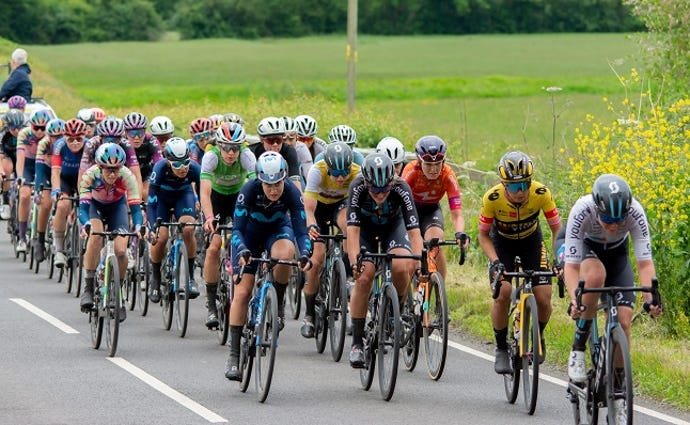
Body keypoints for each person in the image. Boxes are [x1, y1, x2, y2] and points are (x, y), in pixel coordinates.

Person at [563, 174, 661, 393]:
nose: (614, 226)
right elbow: (571, 267)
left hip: (617, 254)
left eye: (620, 221)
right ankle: (578, 347)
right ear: (597, 209)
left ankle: (618, 385)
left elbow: (645, 264)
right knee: (596, 275)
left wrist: (651, 299)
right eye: (607, 220)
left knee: (623, 321)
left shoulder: (636, 212)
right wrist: (574, 299)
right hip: (586, 248)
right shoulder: (582, 209)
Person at [224, 151, 312, 381]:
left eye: (278, 184)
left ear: (284, 178)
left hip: (278, 230)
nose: (273, 190)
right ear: (260, 180)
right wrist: (241, 250)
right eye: (268, 184)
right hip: (249, 236)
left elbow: (301, 230)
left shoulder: (292, 192)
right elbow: (237, 230)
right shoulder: (248, 190)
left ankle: (279, 302)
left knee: (285, 255)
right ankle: (234, 355)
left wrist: (305, 254)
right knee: (242, 291)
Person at [477, 151, 561, 374]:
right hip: (501, 245)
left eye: (525, 184)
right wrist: (495, 262)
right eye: (514, 187)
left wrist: (559, 257)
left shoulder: (541, 193)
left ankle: (538, 336)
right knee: (503, 293)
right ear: (504, 185)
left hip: (531, 243)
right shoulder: (492, 199)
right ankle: (501, 348)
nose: (521, 191)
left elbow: (556, 229)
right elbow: (483, 236)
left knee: (543, 296)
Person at [346, 153, 423, 368]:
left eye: (384, 190)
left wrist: (418, 263)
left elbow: (414, 231)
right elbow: (351, 232)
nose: (380, 194)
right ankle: (357, 343)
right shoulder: (357, 187)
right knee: (364, 276)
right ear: (367, 183)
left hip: (392, 227)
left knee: (402, 265)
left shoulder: (401, 188)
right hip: (365, 230)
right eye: (375, 190)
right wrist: (354, 262)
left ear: (392, 182)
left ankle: (394, 311)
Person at [301, 142, 361, 338]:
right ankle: (309, 314)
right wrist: (311, 226)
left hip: (340, 205)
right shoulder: (317, 171)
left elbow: (358, 211)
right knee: (316, 260)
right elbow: (309, 209)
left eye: (344, 172)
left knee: (347, 225)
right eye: (335, 173)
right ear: (327, 166)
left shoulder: (356, 173)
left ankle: (345, 270)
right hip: (318, 208)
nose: (340, 177)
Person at [200, 122, 256, 328]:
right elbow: (205, 192)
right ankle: (212, 303)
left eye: (235, 148)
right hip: (216, 199)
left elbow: (255, 187)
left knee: (241, 240)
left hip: (238, 197)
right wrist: (208, 218)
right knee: (214, 248)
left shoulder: (247, 156)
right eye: (226, 147)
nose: (231, 153)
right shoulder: (211, 156)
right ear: (219, 146)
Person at [78, 143, 143, 318]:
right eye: (108, 169)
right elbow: (83, 209)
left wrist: (138, 227)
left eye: (116, 169)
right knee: (95, 236)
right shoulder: (90, 175)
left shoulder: (127, 176)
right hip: (95, 207)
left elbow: (136, 209)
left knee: (121, 250)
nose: (113, 174)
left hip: (117, 208)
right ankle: (89, 287)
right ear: (100, 167)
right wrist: (86, 225)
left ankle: (117, 293)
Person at [401, 135, 468, 280]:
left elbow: (457, 214)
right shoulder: (411, 171)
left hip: (431, 210)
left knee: (436, 243)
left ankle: (439, 292)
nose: (433, 169)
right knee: (413, 253)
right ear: (419, 162)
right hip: (409, 211)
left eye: (438, 164)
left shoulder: (448, 175)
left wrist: (460, 233)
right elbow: (398, 202)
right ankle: (405, 297)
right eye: (428, 164)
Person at [147, 137, 201, 302]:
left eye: (185, 162)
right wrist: (151, 227)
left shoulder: (194, 168)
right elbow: (151, 201)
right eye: (177, 164)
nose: (183, 168)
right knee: (161, 238)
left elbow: (205, 194)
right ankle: (155, 278)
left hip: (183, 197)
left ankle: (191, 277)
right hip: (162, 200)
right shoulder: (160, 168)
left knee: (188, 229)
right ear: (168, 161)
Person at [50, 118, 87, 267]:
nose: (75, 143)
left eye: (79, 139)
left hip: (83, 180)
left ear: (85, 136)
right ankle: (59, 250)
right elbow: (55, 171)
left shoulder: (90, 146)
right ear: (65, 138)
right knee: (62, 205)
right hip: (65, 180)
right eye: (70, 139)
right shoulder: (59, 146)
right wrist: (56, 190)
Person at [15, 109, 51, 253]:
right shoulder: (24, 133)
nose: (40, 131)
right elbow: (20, 156)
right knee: (24, 195)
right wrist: (20, 176)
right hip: (29, 166)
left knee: (46, 199)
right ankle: (22, 238)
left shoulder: (50, 136)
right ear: (31, 126)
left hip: (43, 167)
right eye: (36, 128)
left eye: (43, 128)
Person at [32, 118, 64, 262]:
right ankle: (39, 239)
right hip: (46, 172)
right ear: (48, 136)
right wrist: (39, 190)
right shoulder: (43, 144)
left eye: (59, 136)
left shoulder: (66, 145)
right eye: (53, 137)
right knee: (45, 204)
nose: (56, 139)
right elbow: (39, 169)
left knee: (66, 203)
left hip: (62, 175)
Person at [249, 116, 302, 190]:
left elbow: (295, 184)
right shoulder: (251, 152)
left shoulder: (289, 151)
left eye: (279, 140)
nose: (275, 144)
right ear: (261, 140)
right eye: (270, 140)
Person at [123, 111, 162, 201]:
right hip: (124, 175)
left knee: (147, 193)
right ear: (125, 132)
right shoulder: (120, 142)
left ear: (145, 132)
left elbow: (160, 165)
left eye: (140, 133)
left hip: (145, 174)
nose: (136, 137)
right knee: (126, 197)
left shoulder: (151, 140)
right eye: (132, 133)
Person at [0, 109, 25, 218]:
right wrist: (1, 172)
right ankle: (5, 201)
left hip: (23, 156)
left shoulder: (27, 131)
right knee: (6, 169)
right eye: (13, 128)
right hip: (8, 155)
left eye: (19, 127)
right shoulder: (3, 134)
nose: (17, 131)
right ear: (7, 126)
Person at [282, 116, 312, 185]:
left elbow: (309, 174)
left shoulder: (301, 148)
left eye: (291, 139)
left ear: (296, 137)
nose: (288, 143)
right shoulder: (272, 147)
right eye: (284, 140)